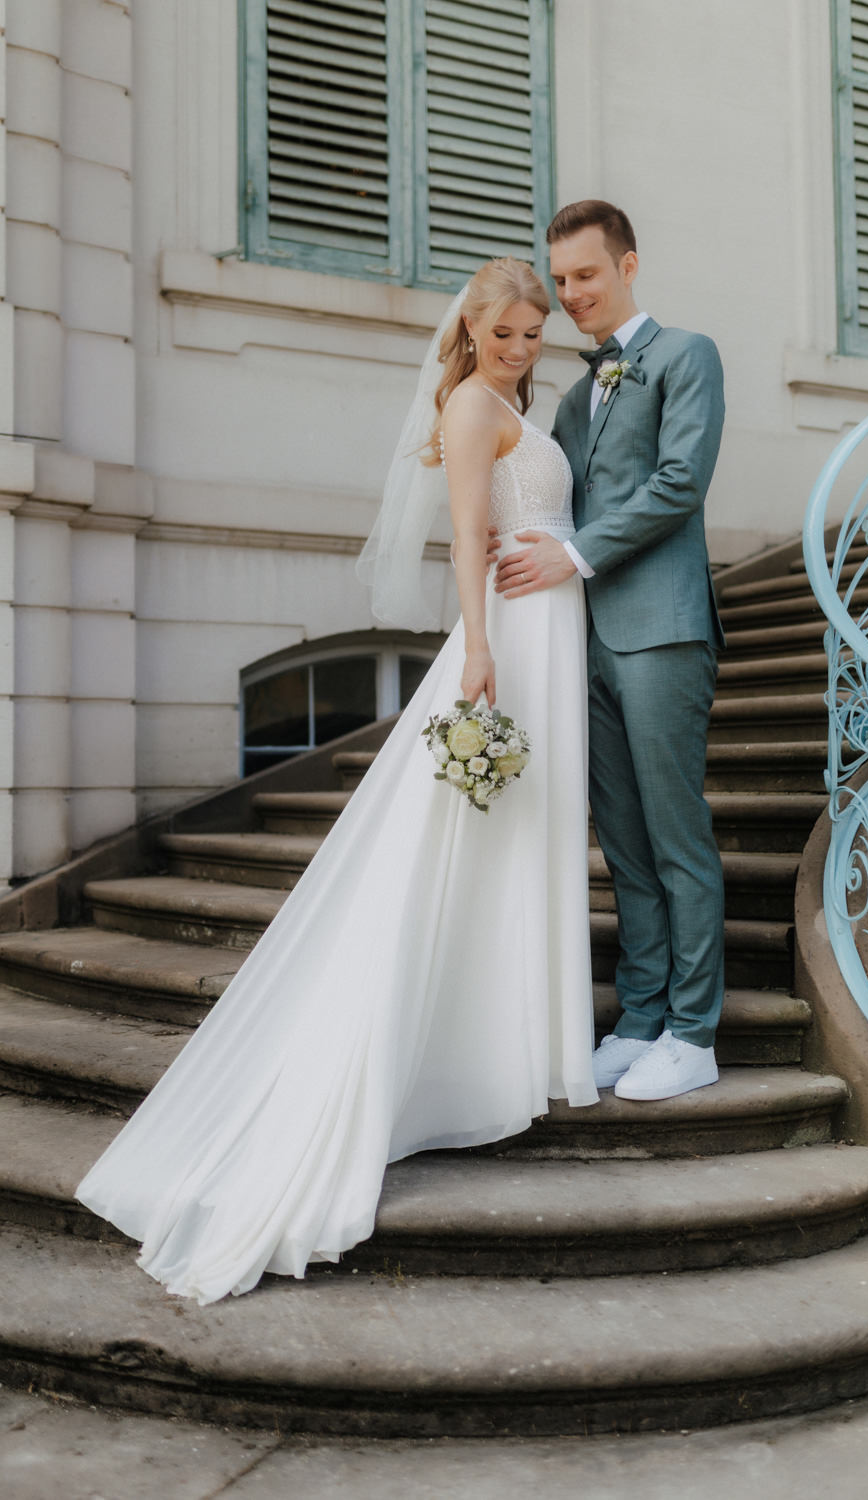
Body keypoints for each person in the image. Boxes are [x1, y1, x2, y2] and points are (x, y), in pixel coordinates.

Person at [75, 257, 599, 1305]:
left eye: (532, 334)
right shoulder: (466, 406)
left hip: (553, 625)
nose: (519, 349)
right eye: (504, 334)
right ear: (470, 330)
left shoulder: (511, 402)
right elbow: (466, 537)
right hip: (509, 641)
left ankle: (515, 1048)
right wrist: (480, 648)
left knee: (524, 836)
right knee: (463, 844)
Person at [495, 201, 726, 1103]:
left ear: (629, 266)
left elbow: (680, 482)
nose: (572, 294)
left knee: (676, 837)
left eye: (586, 275)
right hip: (582, 637)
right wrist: (513, 545)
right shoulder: (570, 395)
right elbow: (560, 505)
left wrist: (575, 554)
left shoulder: (686, 355)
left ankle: (695, 1032)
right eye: (561, 280)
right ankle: (639, 1019)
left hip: (663, 626)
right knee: (624, 845)